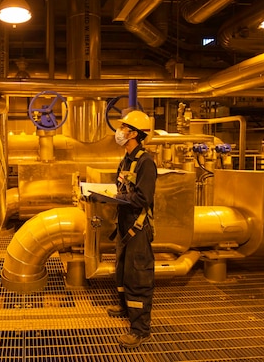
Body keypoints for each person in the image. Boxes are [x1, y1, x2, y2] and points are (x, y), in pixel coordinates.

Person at [106, 110, 157, 349]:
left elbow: (143, 198)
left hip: (138, 226)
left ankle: (140, 330)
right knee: (123, 270)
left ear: (134, 133)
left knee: (138, 276)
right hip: (125, 224)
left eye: (124, 128)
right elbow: (123, 187)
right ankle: (125, 306)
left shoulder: (146, 162)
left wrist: (118, 198)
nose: (120, 132)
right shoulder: (126, 160)